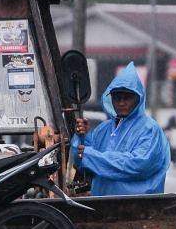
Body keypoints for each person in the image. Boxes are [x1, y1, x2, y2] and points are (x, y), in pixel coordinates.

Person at [72, 62, 170, 196]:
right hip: (102, 205)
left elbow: (138, 165)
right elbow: (82, 162)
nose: (122, 102)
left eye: (127, 97)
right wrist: (81, 137)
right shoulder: (103, 130)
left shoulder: (150, 129)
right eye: (117, 98)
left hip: (141, 207)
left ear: (138, 99)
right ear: (111, 99)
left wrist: (91, 156)